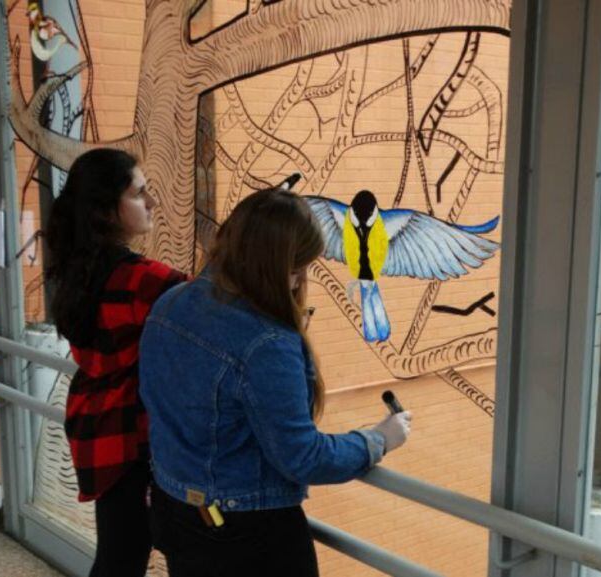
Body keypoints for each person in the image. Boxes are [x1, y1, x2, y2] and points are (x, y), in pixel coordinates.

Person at [139, 187, 412, 577]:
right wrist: (379, 440)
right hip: (246, 534)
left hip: (178, 509)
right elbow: (301, 456)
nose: (300, 278)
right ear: (275, 263)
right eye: (298, 266)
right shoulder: (265, 343)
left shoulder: (171, 304)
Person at [45, 148, 187, 577]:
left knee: (119, 553)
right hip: (134, 438)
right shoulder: (144, 278)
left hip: (97, 430)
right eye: (140, 193)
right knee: (130, 559)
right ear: (107, 211)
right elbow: (210, 314)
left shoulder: (75, 268)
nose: (152, 203)